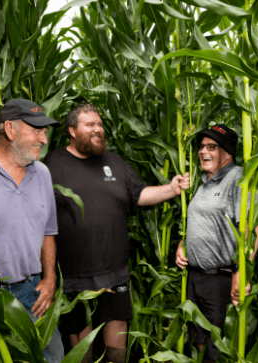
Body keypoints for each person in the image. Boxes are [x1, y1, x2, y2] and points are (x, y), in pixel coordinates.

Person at [43, 103, 190, 363]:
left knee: (117, 348)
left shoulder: (114, 162)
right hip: (74, 277)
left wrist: (172, 188)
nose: (98, 129)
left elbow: (140, 194)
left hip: (115, 272)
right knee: (81, 350)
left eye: (100, 125)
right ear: (72, 130)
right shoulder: (53, 164)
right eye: (90, 125)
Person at [0, 98, 65, 362]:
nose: (44, 140)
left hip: (32, 292)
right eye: (37, 131)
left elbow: (48, 232)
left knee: (53, 357)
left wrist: (49, 280)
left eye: (45, 132)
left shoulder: (42, 173)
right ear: (10, 130)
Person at [175, 124, 258, 363]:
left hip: (220, 281)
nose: (204, 151)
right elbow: (201, 220)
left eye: (212, 147)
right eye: (201, 147)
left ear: (227, 153)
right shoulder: (204, 181)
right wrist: (183, 244)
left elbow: (255, 225)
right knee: (197, 345)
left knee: (217, 350)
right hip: (195, 278)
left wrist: (241, 270)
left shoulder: (237, 178)